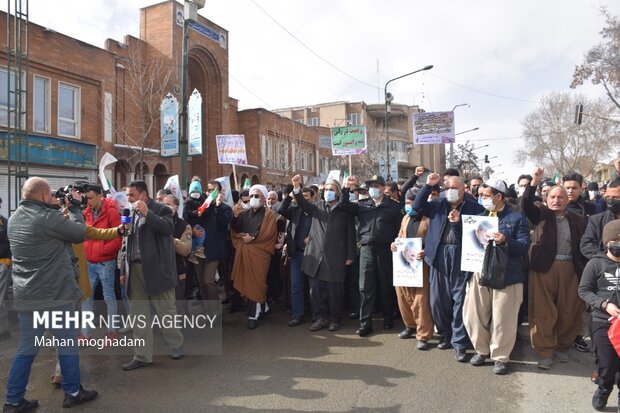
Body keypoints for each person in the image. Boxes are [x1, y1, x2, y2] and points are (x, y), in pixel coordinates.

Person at [5, 177, 98, 411]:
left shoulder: (14, 218)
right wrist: (76, 207)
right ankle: (73, 392)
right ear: (44, 196)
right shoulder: (47, 218)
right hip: (55, 295)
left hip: (27, 295)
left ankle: (13, 400)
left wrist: (60, 208)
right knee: (67, 344)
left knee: (27, 348)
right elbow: (78, 233)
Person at [412, 172, 485, 362]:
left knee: (460, 300)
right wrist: (428, 185)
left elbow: (478, 235)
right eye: (448, 188)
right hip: (438, 256)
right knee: (438, 300)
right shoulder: (437, 205)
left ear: (463, 189)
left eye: (455, 188)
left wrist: (457, 223)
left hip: (462, 257)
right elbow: (417, 207)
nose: (451, 192)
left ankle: (459, 342)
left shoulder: (475, 208)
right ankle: (446, 334)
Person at [521, 167, 587, 370]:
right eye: (553, 197)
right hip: (543, 269)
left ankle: (563, 346)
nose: (556, 200)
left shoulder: (578, 220)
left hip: (570, 269)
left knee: (569, 309)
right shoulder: (541, 214)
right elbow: (525, 204)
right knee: (543, 311)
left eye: (560, 197)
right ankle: (545, 351)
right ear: (546, 199)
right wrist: (534, 182)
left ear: (567, 200)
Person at [462, 178, 530, 375]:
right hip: (479, 271)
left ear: (499, 196)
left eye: (486, 195)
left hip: (507, 275)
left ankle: (500, 357)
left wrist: (505, 240)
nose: (482, 198)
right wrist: (458, 223)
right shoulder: (478, 217)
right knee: (473, 314)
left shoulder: (516, 218)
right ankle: (481, 350)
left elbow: (524, 247)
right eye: (480, 195)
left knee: (504, 319)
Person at [122, 180, 184, 371]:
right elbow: (125, 242)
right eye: (127, 195)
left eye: (131, 195)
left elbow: (167, 229)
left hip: (157, 269)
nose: (128, 199)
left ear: (142, 195)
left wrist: (147, 213)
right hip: (135, 268)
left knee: (165, 310)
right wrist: (123, 269)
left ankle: (176, 344)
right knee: (138, 314)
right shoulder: (129, 212)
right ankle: (142, 355)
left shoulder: (161, 209)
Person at [291, 176, 355, 332]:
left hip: (335, 256)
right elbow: (302, 203)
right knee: (316, 291)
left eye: (331, 190)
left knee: (334, 292)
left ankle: (335, 319)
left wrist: (350, 255)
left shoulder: (344, 210)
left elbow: (350, 234)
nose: (327, 192)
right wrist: (297, 187)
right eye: (325, 189)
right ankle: (320, 318)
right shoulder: (317, 206)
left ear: (338, 193)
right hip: (315, 256)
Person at [340, 175, 402, 337]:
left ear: (383, 188)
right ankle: (365, 323)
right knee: (365, 287)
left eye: (376, 186)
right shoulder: (362, 205)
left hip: (386, 249)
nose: (373, 189)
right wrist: (346, 188)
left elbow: (399, 230)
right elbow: (343, 205)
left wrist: (398, 243)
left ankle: (388, 318)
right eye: (371, 186)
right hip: (367, 248)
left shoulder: (393, 207)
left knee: (385, 284)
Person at [578, 219, 620, 411]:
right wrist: (604, 305)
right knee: (607, 364)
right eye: (617, 241)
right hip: (602, 322)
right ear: (608, 243)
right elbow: (584, 290)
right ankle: (604, 388)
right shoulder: (595, 264)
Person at [390, 193, 434, 350]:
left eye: (411, 202)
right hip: (404, 263)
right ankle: (410, 325)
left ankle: (423, 334)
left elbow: (435, 241)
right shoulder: (406, 218)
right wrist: (394, 245)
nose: (408, 206)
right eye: (407, 202)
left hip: (421, 264)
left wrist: (426, 251)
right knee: (403, 296)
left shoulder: (429, 219)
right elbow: (400, 237)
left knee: (421, 300)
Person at [79, 185, 122, 341]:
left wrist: (103, 250)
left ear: (99, 196)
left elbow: (119, 236)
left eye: (90, 198)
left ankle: (112, 331)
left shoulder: (111, 211)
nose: (87, 201)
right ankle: (85, 333)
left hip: (105, 262)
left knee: (108, 296)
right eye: (86, 198)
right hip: (89, 261)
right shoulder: (87, 212)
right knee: (86, 297)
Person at [231, 185, 278, 329]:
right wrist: (234, 216)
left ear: (264, 198)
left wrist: (252, 238)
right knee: (247, 282)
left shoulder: (269, 214)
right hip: (244, 252)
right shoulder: (244, 213)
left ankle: (253, 315)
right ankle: (262, 307)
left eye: (257, 196)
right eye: (251, 196)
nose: (253, 199)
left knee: (256, 283)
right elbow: (235, 229)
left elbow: (268, 233)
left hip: (260, 253)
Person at [278, 185, 313, 327]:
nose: (302, 200)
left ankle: (316, 314)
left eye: (306, 197)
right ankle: (297, 314)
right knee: (296, 286)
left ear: (313, 197)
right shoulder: (294, 210)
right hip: (296, 254)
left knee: (313, 287)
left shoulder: (315, 211)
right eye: (300, 196)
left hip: (311, 254)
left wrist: (313, 237)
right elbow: (280, 210)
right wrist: (289, 196)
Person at [199, 180, 232, 304]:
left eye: (214, 190)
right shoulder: (204, 207)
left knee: (208, 280)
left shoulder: (225, 208)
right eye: (209, 190)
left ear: (219, 192)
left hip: (214, 250)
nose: (211, 193)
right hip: (199, 249)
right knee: (202, 283)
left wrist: (218, 206)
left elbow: (224, 224)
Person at [162, 195, 192, 315]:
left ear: (176, 207)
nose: (166, 207)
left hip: (177, 270)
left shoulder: (184, 225)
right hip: (161, 270)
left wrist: (171, 239)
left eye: (169, 204)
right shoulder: (156, 223)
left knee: (177, 304)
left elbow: (186, 249)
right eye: (163, 204)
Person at [581, 178, 620, 260]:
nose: (610, 200)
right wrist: (607, 258)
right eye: (608, 197)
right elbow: (586, 244)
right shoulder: (597, 220)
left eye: (615, 198)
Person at [184, 180, 207, 264]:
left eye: (197, 191)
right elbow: (186, 214)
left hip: (199, 222)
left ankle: (193, 253)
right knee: (202, 233)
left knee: (195, 239)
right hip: (192, 224)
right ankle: (199, 249)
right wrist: (196, 213)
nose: (195, 193)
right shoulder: (187, 201)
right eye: (193, 191)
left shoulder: (202, 200)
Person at [0, 197, 11, 340]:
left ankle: (3, 331)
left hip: (3, 265)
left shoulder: (5, 223)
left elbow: (11, 244)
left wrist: (8, 262)